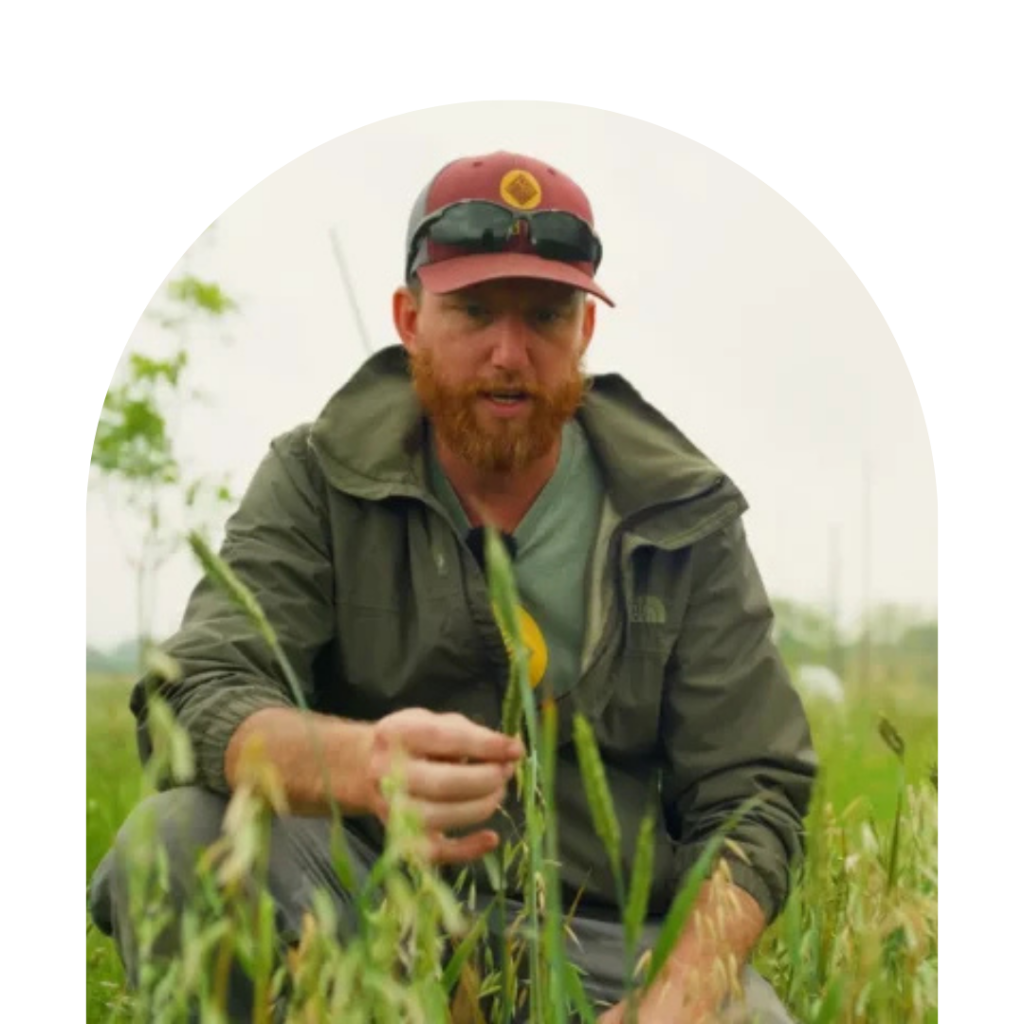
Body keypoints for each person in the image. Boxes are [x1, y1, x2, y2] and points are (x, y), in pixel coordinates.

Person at [89, 149, 819, 1022]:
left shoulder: (681, 516)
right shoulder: (316, 477)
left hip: (606, 938)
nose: (509, 352)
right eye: (472, 310)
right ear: (409, 317)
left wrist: (682, 991)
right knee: (172, 845)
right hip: (363, 897)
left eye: (546, 315)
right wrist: (358, 764)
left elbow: (753, 795)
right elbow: (196, 695)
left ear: (584, 329)